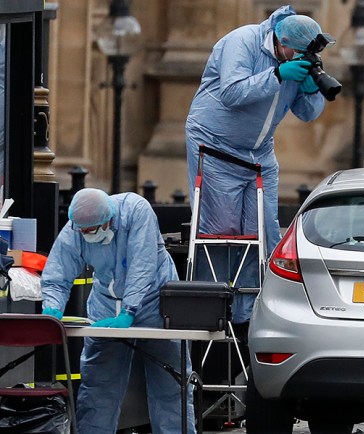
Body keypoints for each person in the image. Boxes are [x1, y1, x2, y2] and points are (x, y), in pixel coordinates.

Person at [185, 5, 327, 326]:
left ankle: (250, 317)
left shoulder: (294, 57)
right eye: (300, 53)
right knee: (220, 234)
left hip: (259, 154)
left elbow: (308, 114)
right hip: (215, 146)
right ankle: (213, 315)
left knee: (262, 235)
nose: (302, 58)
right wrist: (277, 75)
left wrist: (311, 90)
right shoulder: (243, 41)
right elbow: (232, 92)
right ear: (282, 42)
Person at [40, 188, 195, 434]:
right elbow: (58, 272)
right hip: (105, 303)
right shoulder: (76, 227)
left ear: (108, 221)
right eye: (81, 231)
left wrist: (129, 311)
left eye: (90, 231)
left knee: (170, 385)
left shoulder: (136, 210)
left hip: (154, 301)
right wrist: (51, 308)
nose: (85, 235)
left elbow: (142, 265)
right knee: (98, 385)